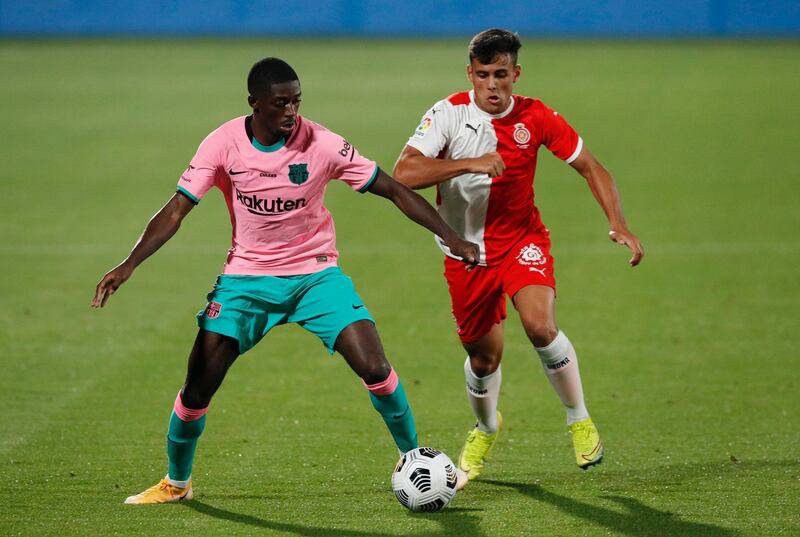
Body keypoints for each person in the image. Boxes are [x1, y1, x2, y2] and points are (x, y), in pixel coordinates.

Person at [92, 57, 477, 504]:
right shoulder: (223, 144)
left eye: (296, 101)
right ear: (255, 104)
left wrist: (450, 236)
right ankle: (177, 483)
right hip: (246, 281)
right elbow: (177, 208)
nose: (292, 112)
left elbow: (392, 189)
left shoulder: (323, 143)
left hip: (316, 276)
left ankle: (417, 460)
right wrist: (129, 263)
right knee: (198, 387)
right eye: (281, 103)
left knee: (375, 367)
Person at [393, 29, 644, 480]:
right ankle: (486, 427)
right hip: (465, 254)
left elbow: (592, 167)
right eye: (484, 75)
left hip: (522, 241)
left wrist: (618, 222)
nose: (493, 85)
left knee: (540, 326)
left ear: (516, 74)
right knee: (483, 359)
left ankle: (579, 419)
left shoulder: (537, 116)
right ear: (470, 74)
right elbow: (404, 173)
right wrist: (469, 162)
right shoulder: (447, 114)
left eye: (502, 75)